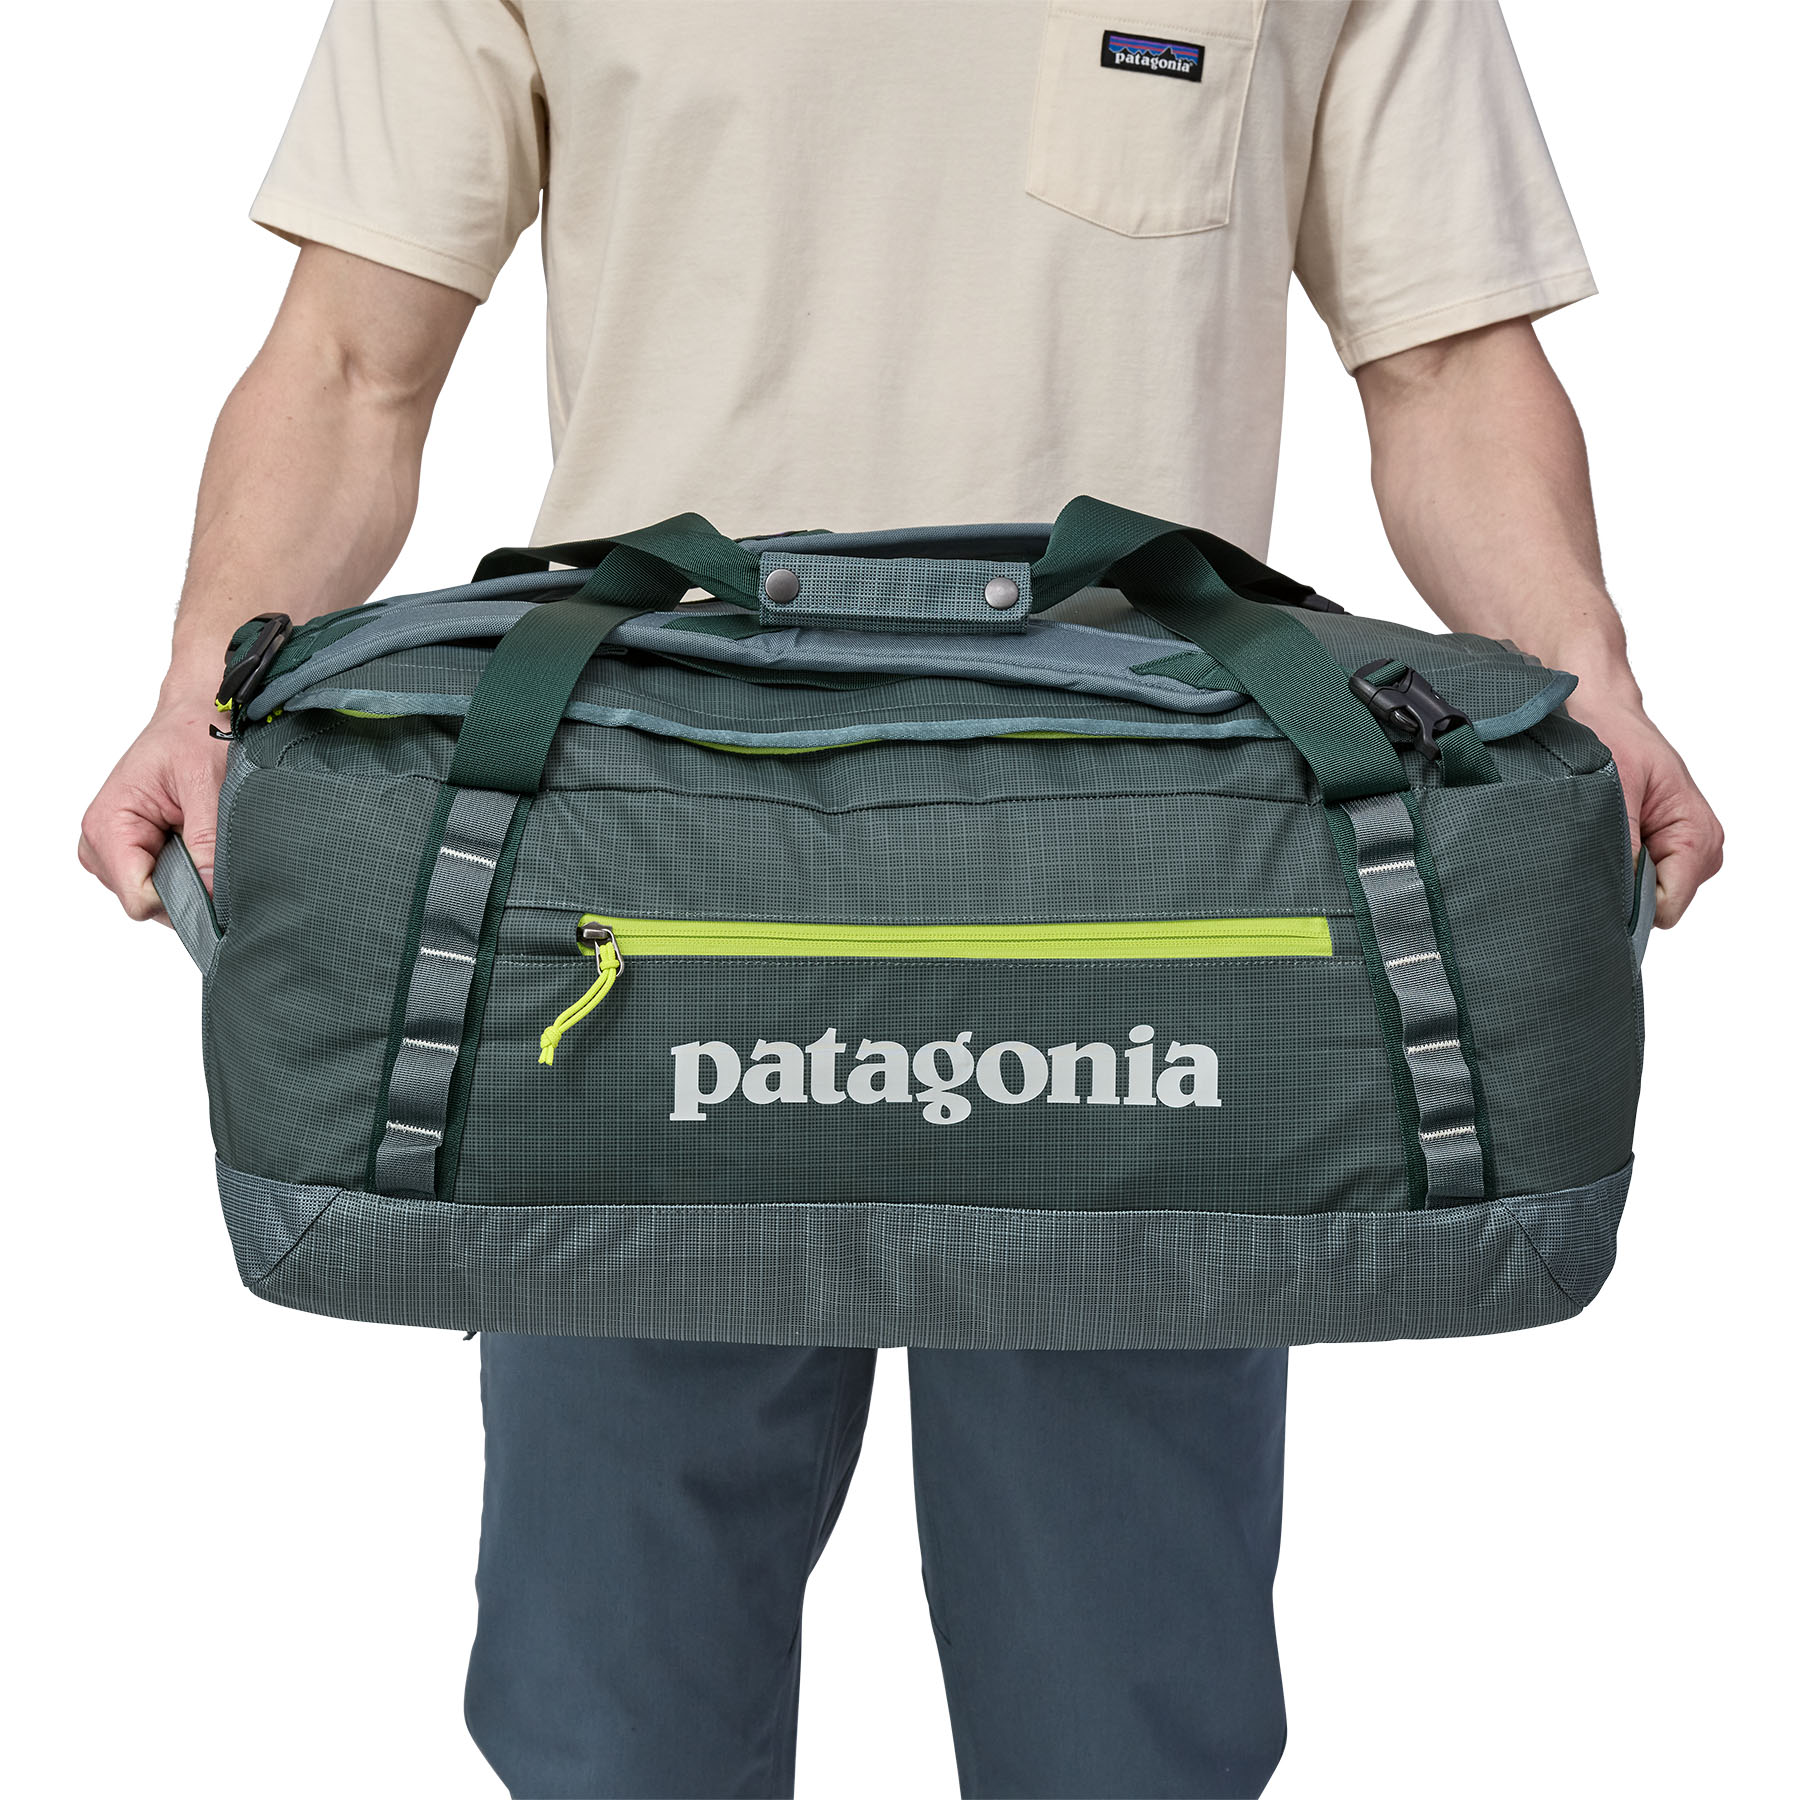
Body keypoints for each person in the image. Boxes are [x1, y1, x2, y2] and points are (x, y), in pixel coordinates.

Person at [77, 5, 1723, 1796]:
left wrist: (1593, 688)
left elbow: (1446, 363)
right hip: (647, 869)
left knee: (1125, 1741)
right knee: (613, 1727)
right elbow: (349, 360)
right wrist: (203, 693)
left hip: (1132, 893)